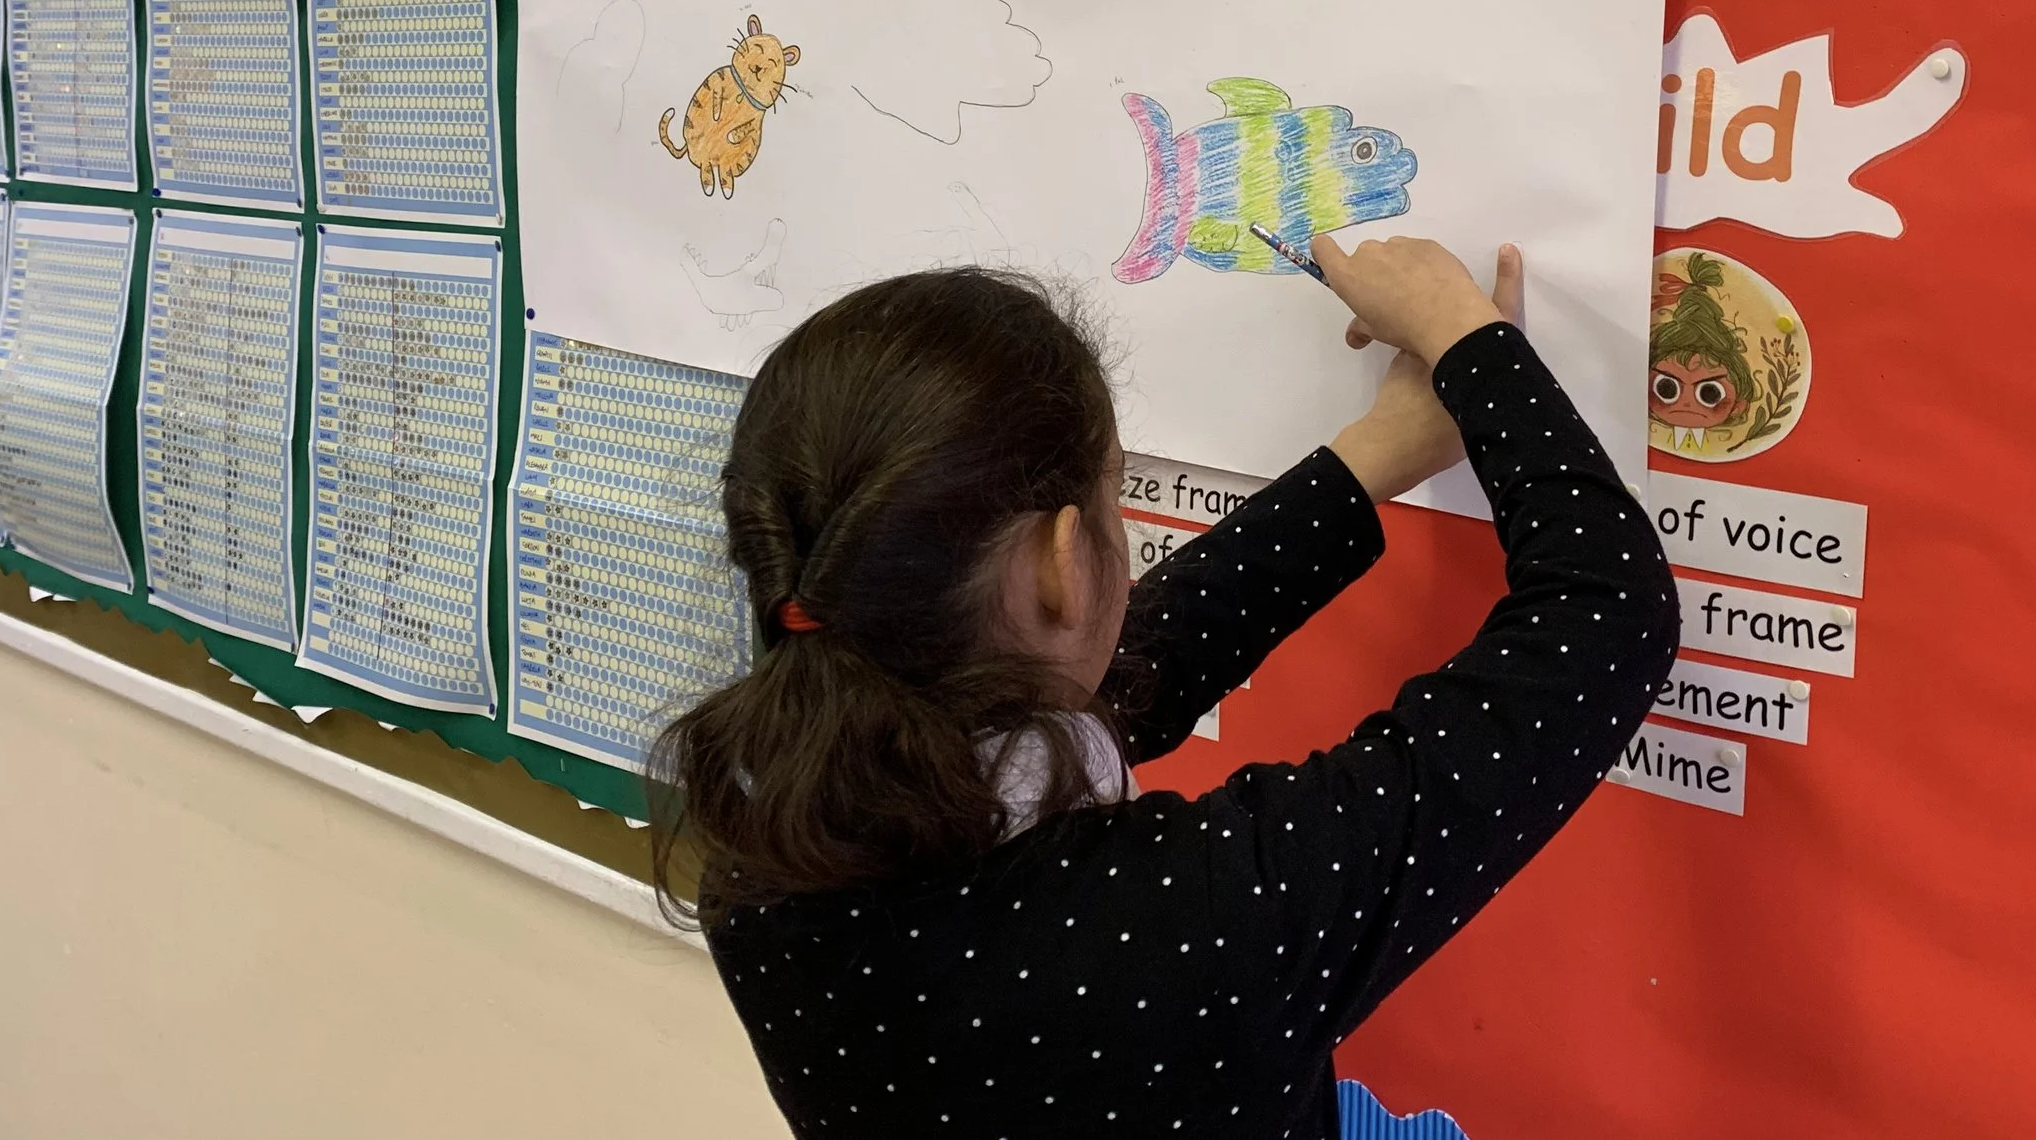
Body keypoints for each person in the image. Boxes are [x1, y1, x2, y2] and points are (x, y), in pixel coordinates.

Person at [651, 235, 1678, 1138]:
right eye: (1113, 495)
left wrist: (1366, 460)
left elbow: (1115, 669)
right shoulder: (1192, 924)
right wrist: (1466, 336)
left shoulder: (761, 869)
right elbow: (1609, 613)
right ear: (1062, 562)